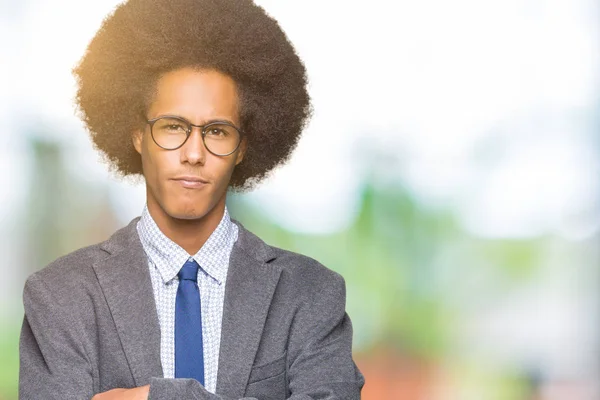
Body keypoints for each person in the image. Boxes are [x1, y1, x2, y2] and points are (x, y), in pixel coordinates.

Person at [18, 0, 365, 399]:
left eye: (216, 131)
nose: (194, 153)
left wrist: (160, 397)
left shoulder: (309, 293)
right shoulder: (61, 296)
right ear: (137, 135)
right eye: (173, 127)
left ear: (242, 147)